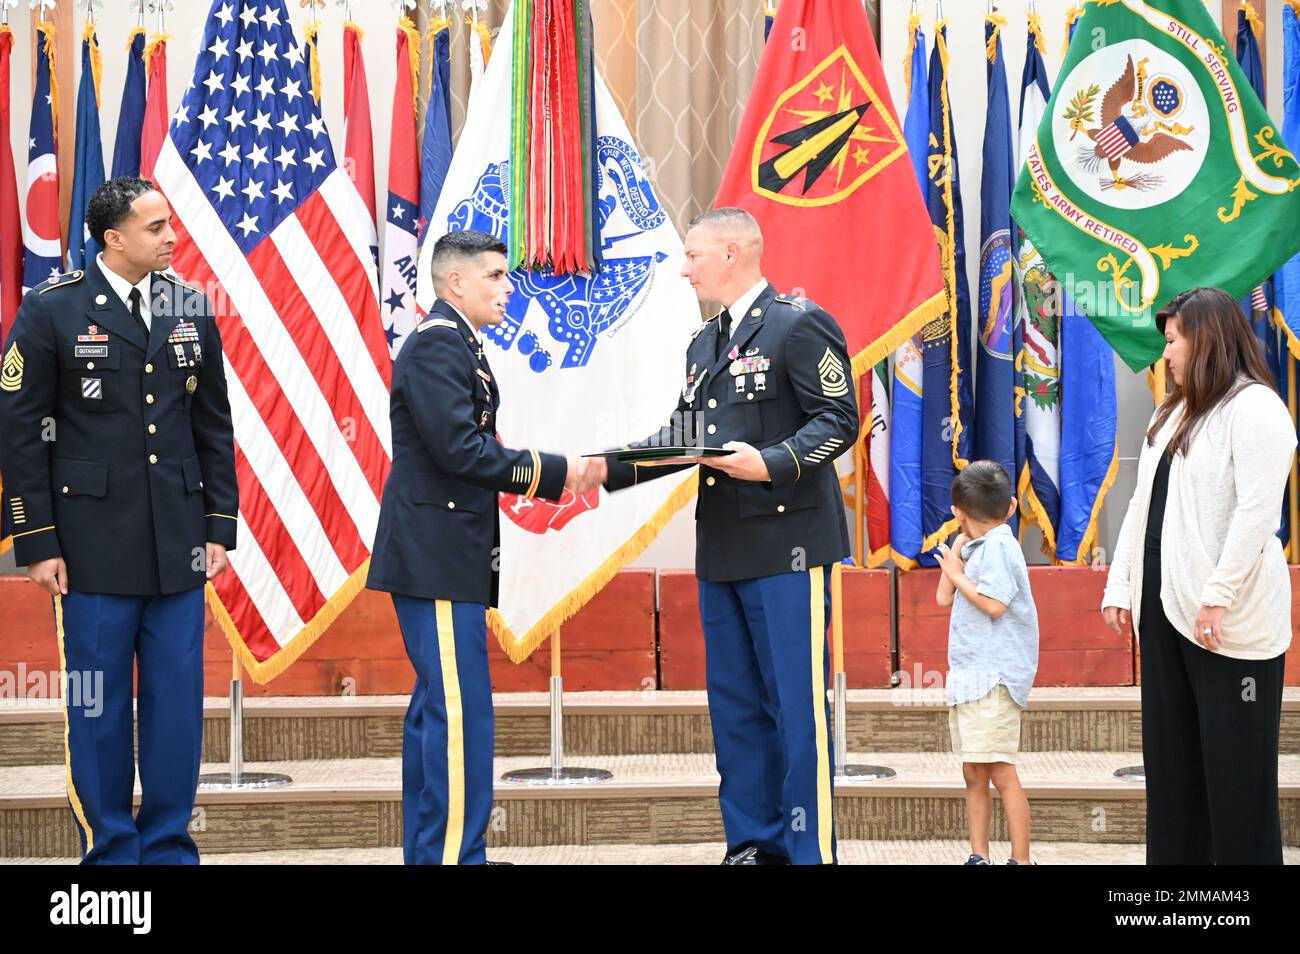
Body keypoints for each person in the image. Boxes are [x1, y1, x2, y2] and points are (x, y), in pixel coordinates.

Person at [596, 207, 859, 865]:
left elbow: (839, 420)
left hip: (789, 548)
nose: (683, 269)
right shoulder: (704, 343)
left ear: (735, 252)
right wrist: (602, 468)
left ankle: (807, 851)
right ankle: (752, 844)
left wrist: (769, 462)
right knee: (737, 710)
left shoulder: (798, 325)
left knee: (795, 710)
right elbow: (683, 438)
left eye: (693, 255)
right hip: (723, 550)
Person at [0, 177, 238, 864]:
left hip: (178, 550)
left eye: (169, 225)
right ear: (114, 238)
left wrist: (217, 526)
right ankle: (111, 852)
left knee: (174, 711)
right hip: (90, 550)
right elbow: (19, 434)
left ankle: (167, 849)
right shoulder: (52, 310)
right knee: (98, 711)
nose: (171, 237)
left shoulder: (190, 305)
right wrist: (36, 540)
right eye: (156, 227)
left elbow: (212, 424)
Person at [366, 229, 600, 865]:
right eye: (494, 276)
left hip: (446, 554)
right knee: (459, 716)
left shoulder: (457, 343)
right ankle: (456, 857)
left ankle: (433, 853)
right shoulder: (440, 346)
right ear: (455, 283)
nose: (507, 287)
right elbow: (459, 451)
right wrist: (555, 472)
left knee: (436, 713)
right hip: (436, 557)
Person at [1101, 287, 1295, 865]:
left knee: (1237, 781)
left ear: (1207, 338)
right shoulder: (1171, 413)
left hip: (1227, 626)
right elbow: (1142, 506)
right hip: (1164, 613)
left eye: (1175, 340)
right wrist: (1120, 584)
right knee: (1172, 772)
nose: (1168, 354)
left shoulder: (1257, 408)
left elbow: (1258, 515)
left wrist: (1217, 595)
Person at [935, 461, 1039, 865]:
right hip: (970, 678)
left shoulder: (1000, 547)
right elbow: (944, 599)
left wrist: (958, 574)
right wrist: (957, 554)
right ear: (1011, 505)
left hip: (993, 679)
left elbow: (994, 606)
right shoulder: (975, 545)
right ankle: (979, 855)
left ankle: (1021, 860)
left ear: (957, 509)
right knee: (974, 772)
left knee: (1000, 770)